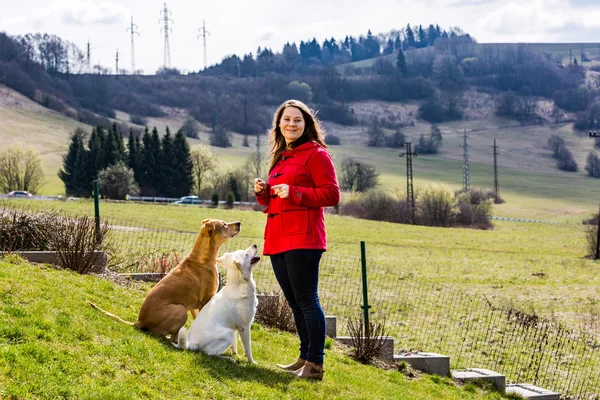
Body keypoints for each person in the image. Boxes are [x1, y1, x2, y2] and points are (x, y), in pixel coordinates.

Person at [254, 99, 340, 380]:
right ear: (279, 124)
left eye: (297, 120)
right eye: (286, 119)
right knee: (294, 301)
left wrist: (294, 192)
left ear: (307, 125)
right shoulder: (282, 156)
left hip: (304, 238)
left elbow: (331, 195)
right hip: (278, 239)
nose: (291, 124)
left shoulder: (317, 155)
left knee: (306, 299)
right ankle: (304, 356)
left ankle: (315, 364)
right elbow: (271, 205)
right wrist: (263, 192)